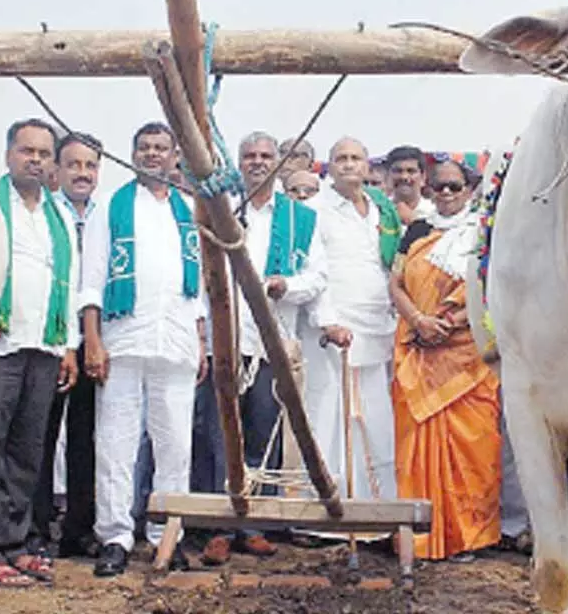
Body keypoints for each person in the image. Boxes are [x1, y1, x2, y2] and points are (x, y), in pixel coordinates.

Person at [193, 132, 329, 565]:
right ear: (238, 162)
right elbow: (198, 274)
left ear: (278, 163)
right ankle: (219, 526)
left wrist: (285, 285)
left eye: (265, 156)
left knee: (262, 436)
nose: (256, 162)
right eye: (249, 156)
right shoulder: (220, 210)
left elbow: (318, 278)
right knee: (220, 437)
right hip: (227, 342)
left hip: (271, 342)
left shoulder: (299, 218)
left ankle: (255, 526)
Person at [80, 122, 206, 577]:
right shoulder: (111, 208)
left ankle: (165, 535)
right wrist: (92, 339)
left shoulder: (189, 210)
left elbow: (200, 291)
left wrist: (202, 340)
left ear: (175, 157)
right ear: (132, 155)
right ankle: (113, 536)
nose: (152, 154)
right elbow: (91, 279)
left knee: (176, 446)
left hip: (176, 342)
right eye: (144, 148)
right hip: (123, 340)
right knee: (116, 444)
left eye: (161, 148)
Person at [0, 118, 80, 588]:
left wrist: (67, 344)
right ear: (8, 155)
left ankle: (16, 544)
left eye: (43, 153)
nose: (35, 159)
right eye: (26, 151)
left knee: (28, 454)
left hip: (44, 346)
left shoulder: (59, 214)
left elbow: (63, 285)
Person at [390, 159, 501, 561]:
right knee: (415, 444)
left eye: (455, 187)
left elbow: (489, 289)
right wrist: (419, 320)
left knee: (474, 444)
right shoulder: (418, 231)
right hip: (417, 348)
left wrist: (447, 322)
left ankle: (467, 537)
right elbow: (395, 284)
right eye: (439, 187)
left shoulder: (484, 235)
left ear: (470, 189)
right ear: (429, 190)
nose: (447, 194)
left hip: (467, 355)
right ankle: (418, 534)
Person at [299, 138, 401, 516]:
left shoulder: (381, 210)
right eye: (340, 158)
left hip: (377, 328)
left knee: (375, 420)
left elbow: (389, 268)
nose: (348, 165)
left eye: (355, 158)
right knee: (329, 419)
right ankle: (323, 516)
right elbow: (311, 268)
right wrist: (327, 321)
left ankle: (377, 512)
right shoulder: (314, 209)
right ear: (327, 167)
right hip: (333, 332)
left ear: (367, 167)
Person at [30, 131, 103, 559]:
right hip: (50, 340)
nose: (82, 173)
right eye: (73, 164)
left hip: (95, 342)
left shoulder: (107, 214)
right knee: (39, 438)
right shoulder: (45, 212)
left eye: (90, 165)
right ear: (56, 170)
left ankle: (79, 529)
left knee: (87, 439)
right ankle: (35, 529)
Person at [385, 146, 435, 227]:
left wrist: (414, 222)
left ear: (423, 177)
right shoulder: (378, 211)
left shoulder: (434, 213)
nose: (404, 177)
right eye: (398, 171)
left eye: (411, 171)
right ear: (387, 176)